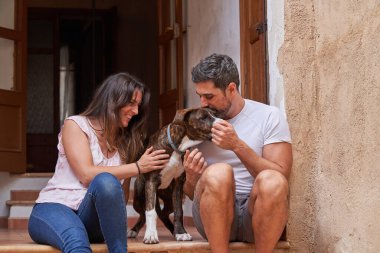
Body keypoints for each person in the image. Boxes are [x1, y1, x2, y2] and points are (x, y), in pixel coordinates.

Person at [28, 72, 170, 253]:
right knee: (76, 240)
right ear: (113, 100)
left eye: (138, 106)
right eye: (131, 103)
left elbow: (118, 200)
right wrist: (137, 168)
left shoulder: (125, 144)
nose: (135, 111)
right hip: (54, 209)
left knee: (107, 183)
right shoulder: (76, 125)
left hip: (92, 220)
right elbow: (86, 174)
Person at [183, 53, 293, 253]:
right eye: (200, 96)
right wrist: (191, 178)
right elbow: (191, 194)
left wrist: (236, 145)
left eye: (209, 96)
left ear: (231, 89)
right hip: (214, 218)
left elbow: (281, 177)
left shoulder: (269, 116)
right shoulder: (196, 124)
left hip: (257, 214)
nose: (203, 104)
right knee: (219, 173)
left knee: (273, 181)